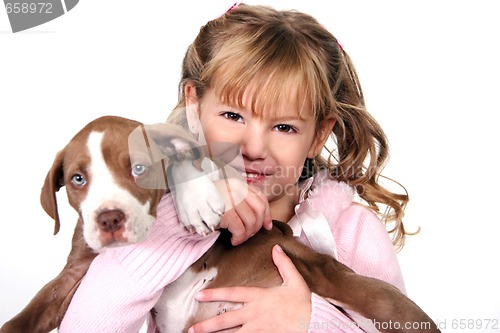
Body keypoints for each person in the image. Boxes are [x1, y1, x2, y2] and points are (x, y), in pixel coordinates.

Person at [59, 3, 410, 332]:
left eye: (284, 127)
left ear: (318, 135)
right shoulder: (152, 220)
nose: (254, 148)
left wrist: (310, 320)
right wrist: (180, 219)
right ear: (194, 107)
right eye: (233, 116)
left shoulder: (352, 231)